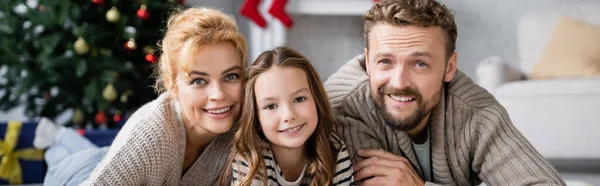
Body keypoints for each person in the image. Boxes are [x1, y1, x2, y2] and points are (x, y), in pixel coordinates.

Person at [323, 0, 565, 185]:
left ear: (449, 67)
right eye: (385, 61)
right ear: (367, 62)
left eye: (420, 64)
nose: (398, 82)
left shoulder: (478, 113)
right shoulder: (341, 109)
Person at [34, 6, 247, 185]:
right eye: (199, 81)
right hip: (77, 175)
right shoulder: (151, 135)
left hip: (118, 161)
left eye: (231, 76)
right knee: (60, 157)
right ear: (172, 85)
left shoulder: (245, 123)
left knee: (96, 152)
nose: (218, 95)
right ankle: (57, 139)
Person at [224, 46, 354, 186]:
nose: (288, 115)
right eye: (271, 106)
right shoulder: (251, 158)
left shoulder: (334, 151)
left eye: (299, 99)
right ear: (256, 117)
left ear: (317, 101)